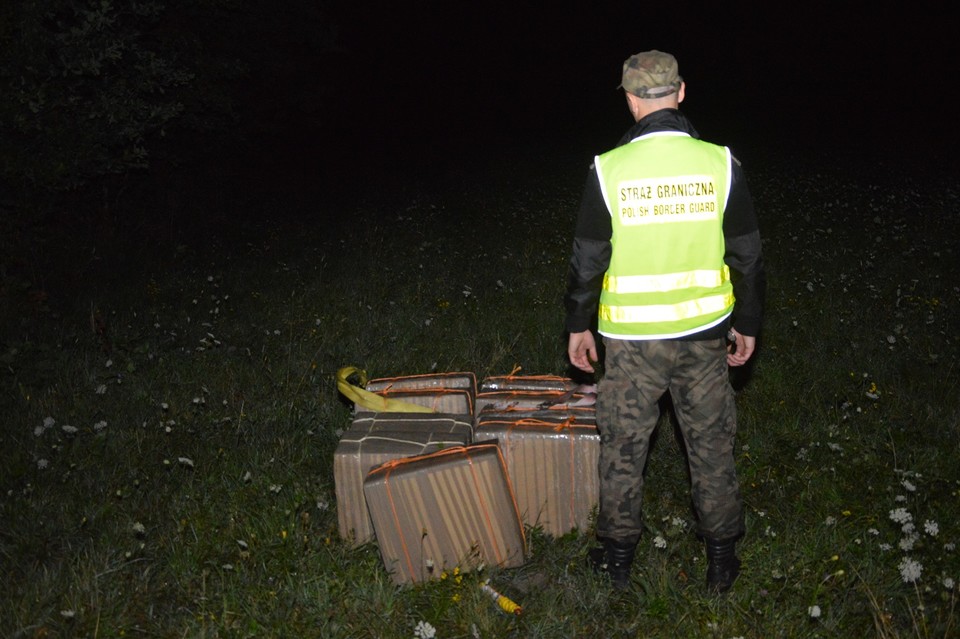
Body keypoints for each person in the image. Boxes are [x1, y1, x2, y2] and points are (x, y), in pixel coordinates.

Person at [564, 50, 765, 593]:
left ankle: (618, 561)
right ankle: (722, 562)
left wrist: (577, 323)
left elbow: (588, 257)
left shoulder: (608, 167)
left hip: (632, 343)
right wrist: (748, 320)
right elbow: (747, 253)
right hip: (706, 335)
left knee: (624, 448)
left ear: (631, 101)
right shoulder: (721, 162)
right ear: (680, 93)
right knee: (711, 447)